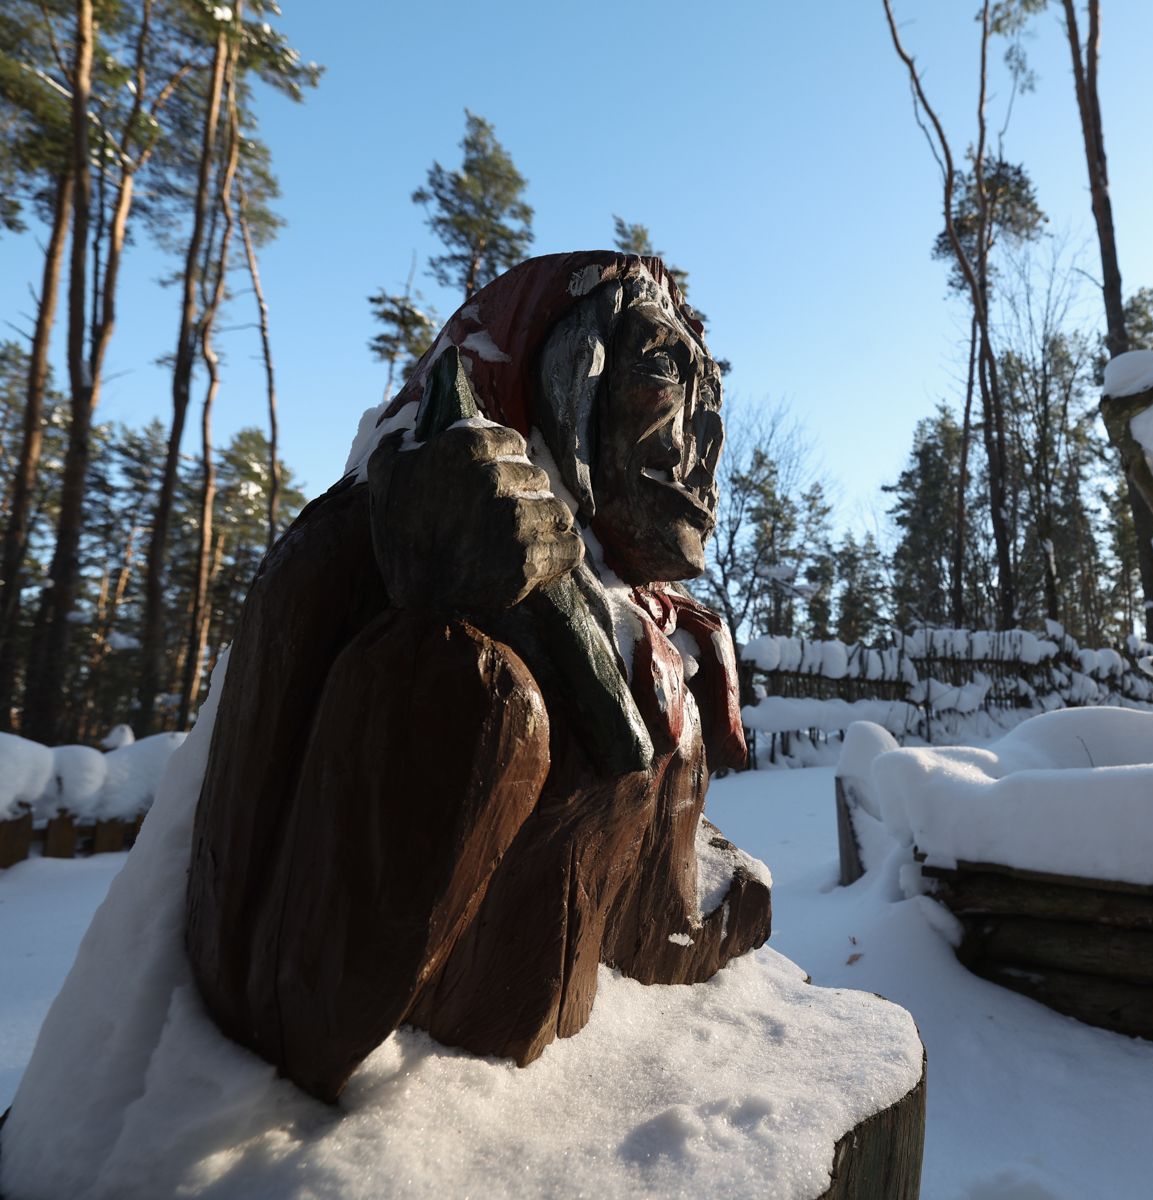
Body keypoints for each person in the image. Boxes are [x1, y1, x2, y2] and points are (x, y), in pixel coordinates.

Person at [184, 252, 770, 1104]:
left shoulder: (644, 629)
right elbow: (258, 966)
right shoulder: (363, 544)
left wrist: (726, 891)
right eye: (663, 374)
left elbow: (641, 890)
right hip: (428, 1114)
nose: (705, 441)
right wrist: (424, 616)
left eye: (712, 399)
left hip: (614, 1096)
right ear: (551, 375)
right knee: (484, 689)